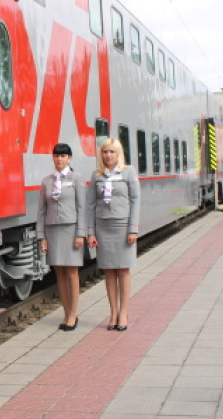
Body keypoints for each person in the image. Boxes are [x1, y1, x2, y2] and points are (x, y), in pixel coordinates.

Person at [87, 139, 140, 332]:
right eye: (105, 152)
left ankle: (124, 313)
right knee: (109, 271)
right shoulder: (96, 175)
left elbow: (135, 200)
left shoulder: (128, 172)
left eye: (112, 152)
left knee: (123, 270)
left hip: (123, 227)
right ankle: (113, 313)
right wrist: (91, 232)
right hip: (103, 228)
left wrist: (133, 229)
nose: (108, 155)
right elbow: (90, 205)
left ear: (118, 154)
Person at [37, 143, 86, 331]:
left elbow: (82, 207)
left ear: (69, 158)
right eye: (56, 156)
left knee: (72, 272)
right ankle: (66, 313)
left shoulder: (76, 178)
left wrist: (80, 233)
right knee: (60, 273)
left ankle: (73, 314)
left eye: (63, 156)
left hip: (71, 230)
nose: (59, 159)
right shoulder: (46, 181)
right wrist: (41, 236)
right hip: (53, 231)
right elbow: (41, 211)